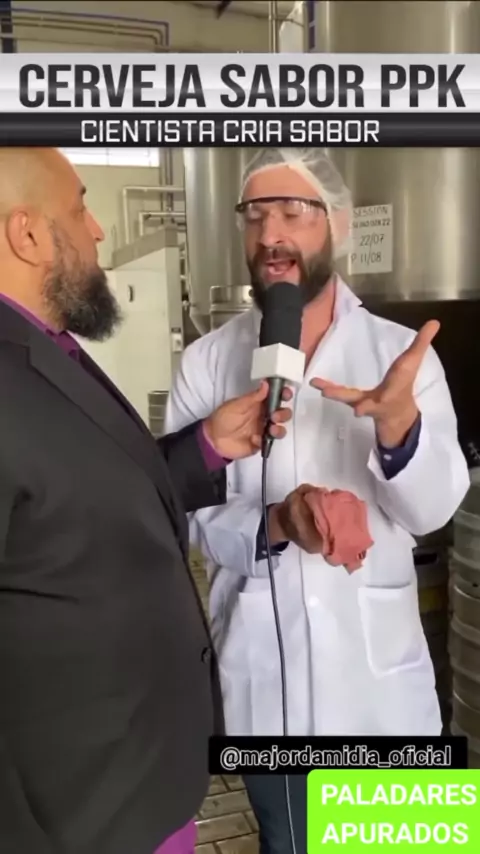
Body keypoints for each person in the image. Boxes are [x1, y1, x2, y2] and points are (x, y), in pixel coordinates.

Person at [164, 148, 471, 854]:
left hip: (381, 699)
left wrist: (399, 430)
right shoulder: (206, 362)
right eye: (255, 214)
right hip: (266, 696)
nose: (271, 234)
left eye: (293, 212)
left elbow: (432, 513)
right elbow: (192, 517)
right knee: (292, 843)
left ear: (336, 224)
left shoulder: (400, 355)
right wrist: (279, 522)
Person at [0, 147, 292, 854]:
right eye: (80, 208)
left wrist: (208, 447)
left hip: (143, 781)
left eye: (296, 213)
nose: (99, 228)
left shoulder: (47, 351)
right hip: (82, 813)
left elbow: (91, 499)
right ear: (27, 234)